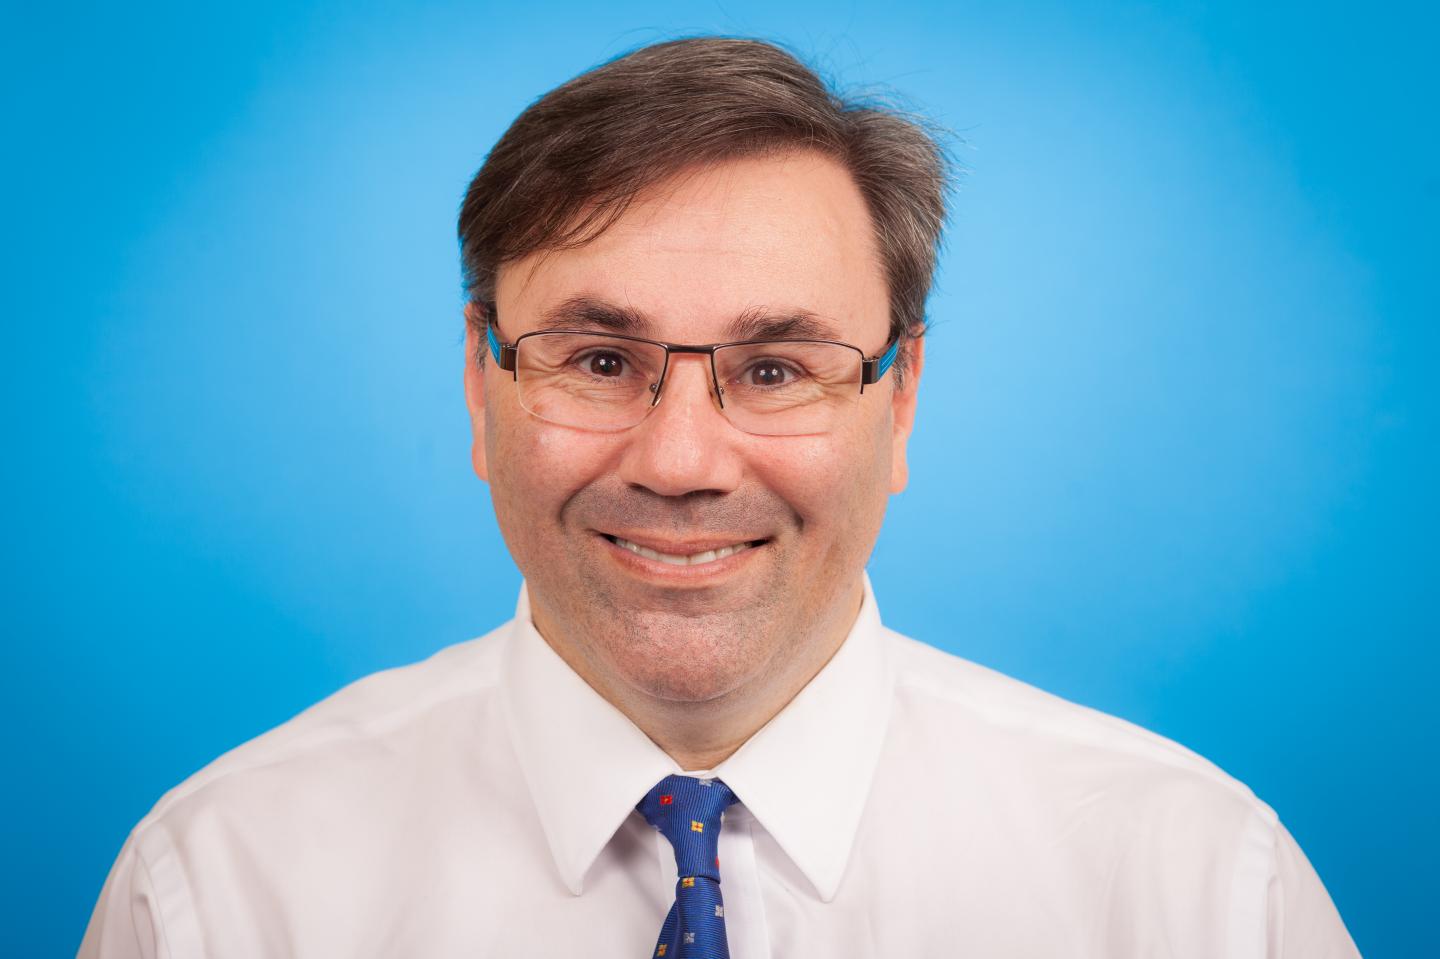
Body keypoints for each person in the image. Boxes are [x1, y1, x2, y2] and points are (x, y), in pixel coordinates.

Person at [79, 37, 1360, 958]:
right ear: (480, 382)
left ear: (901, 398)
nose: (681, 460)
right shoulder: (220, 889)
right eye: (598, 360)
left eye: (776, 368)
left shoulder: (1197, 887)